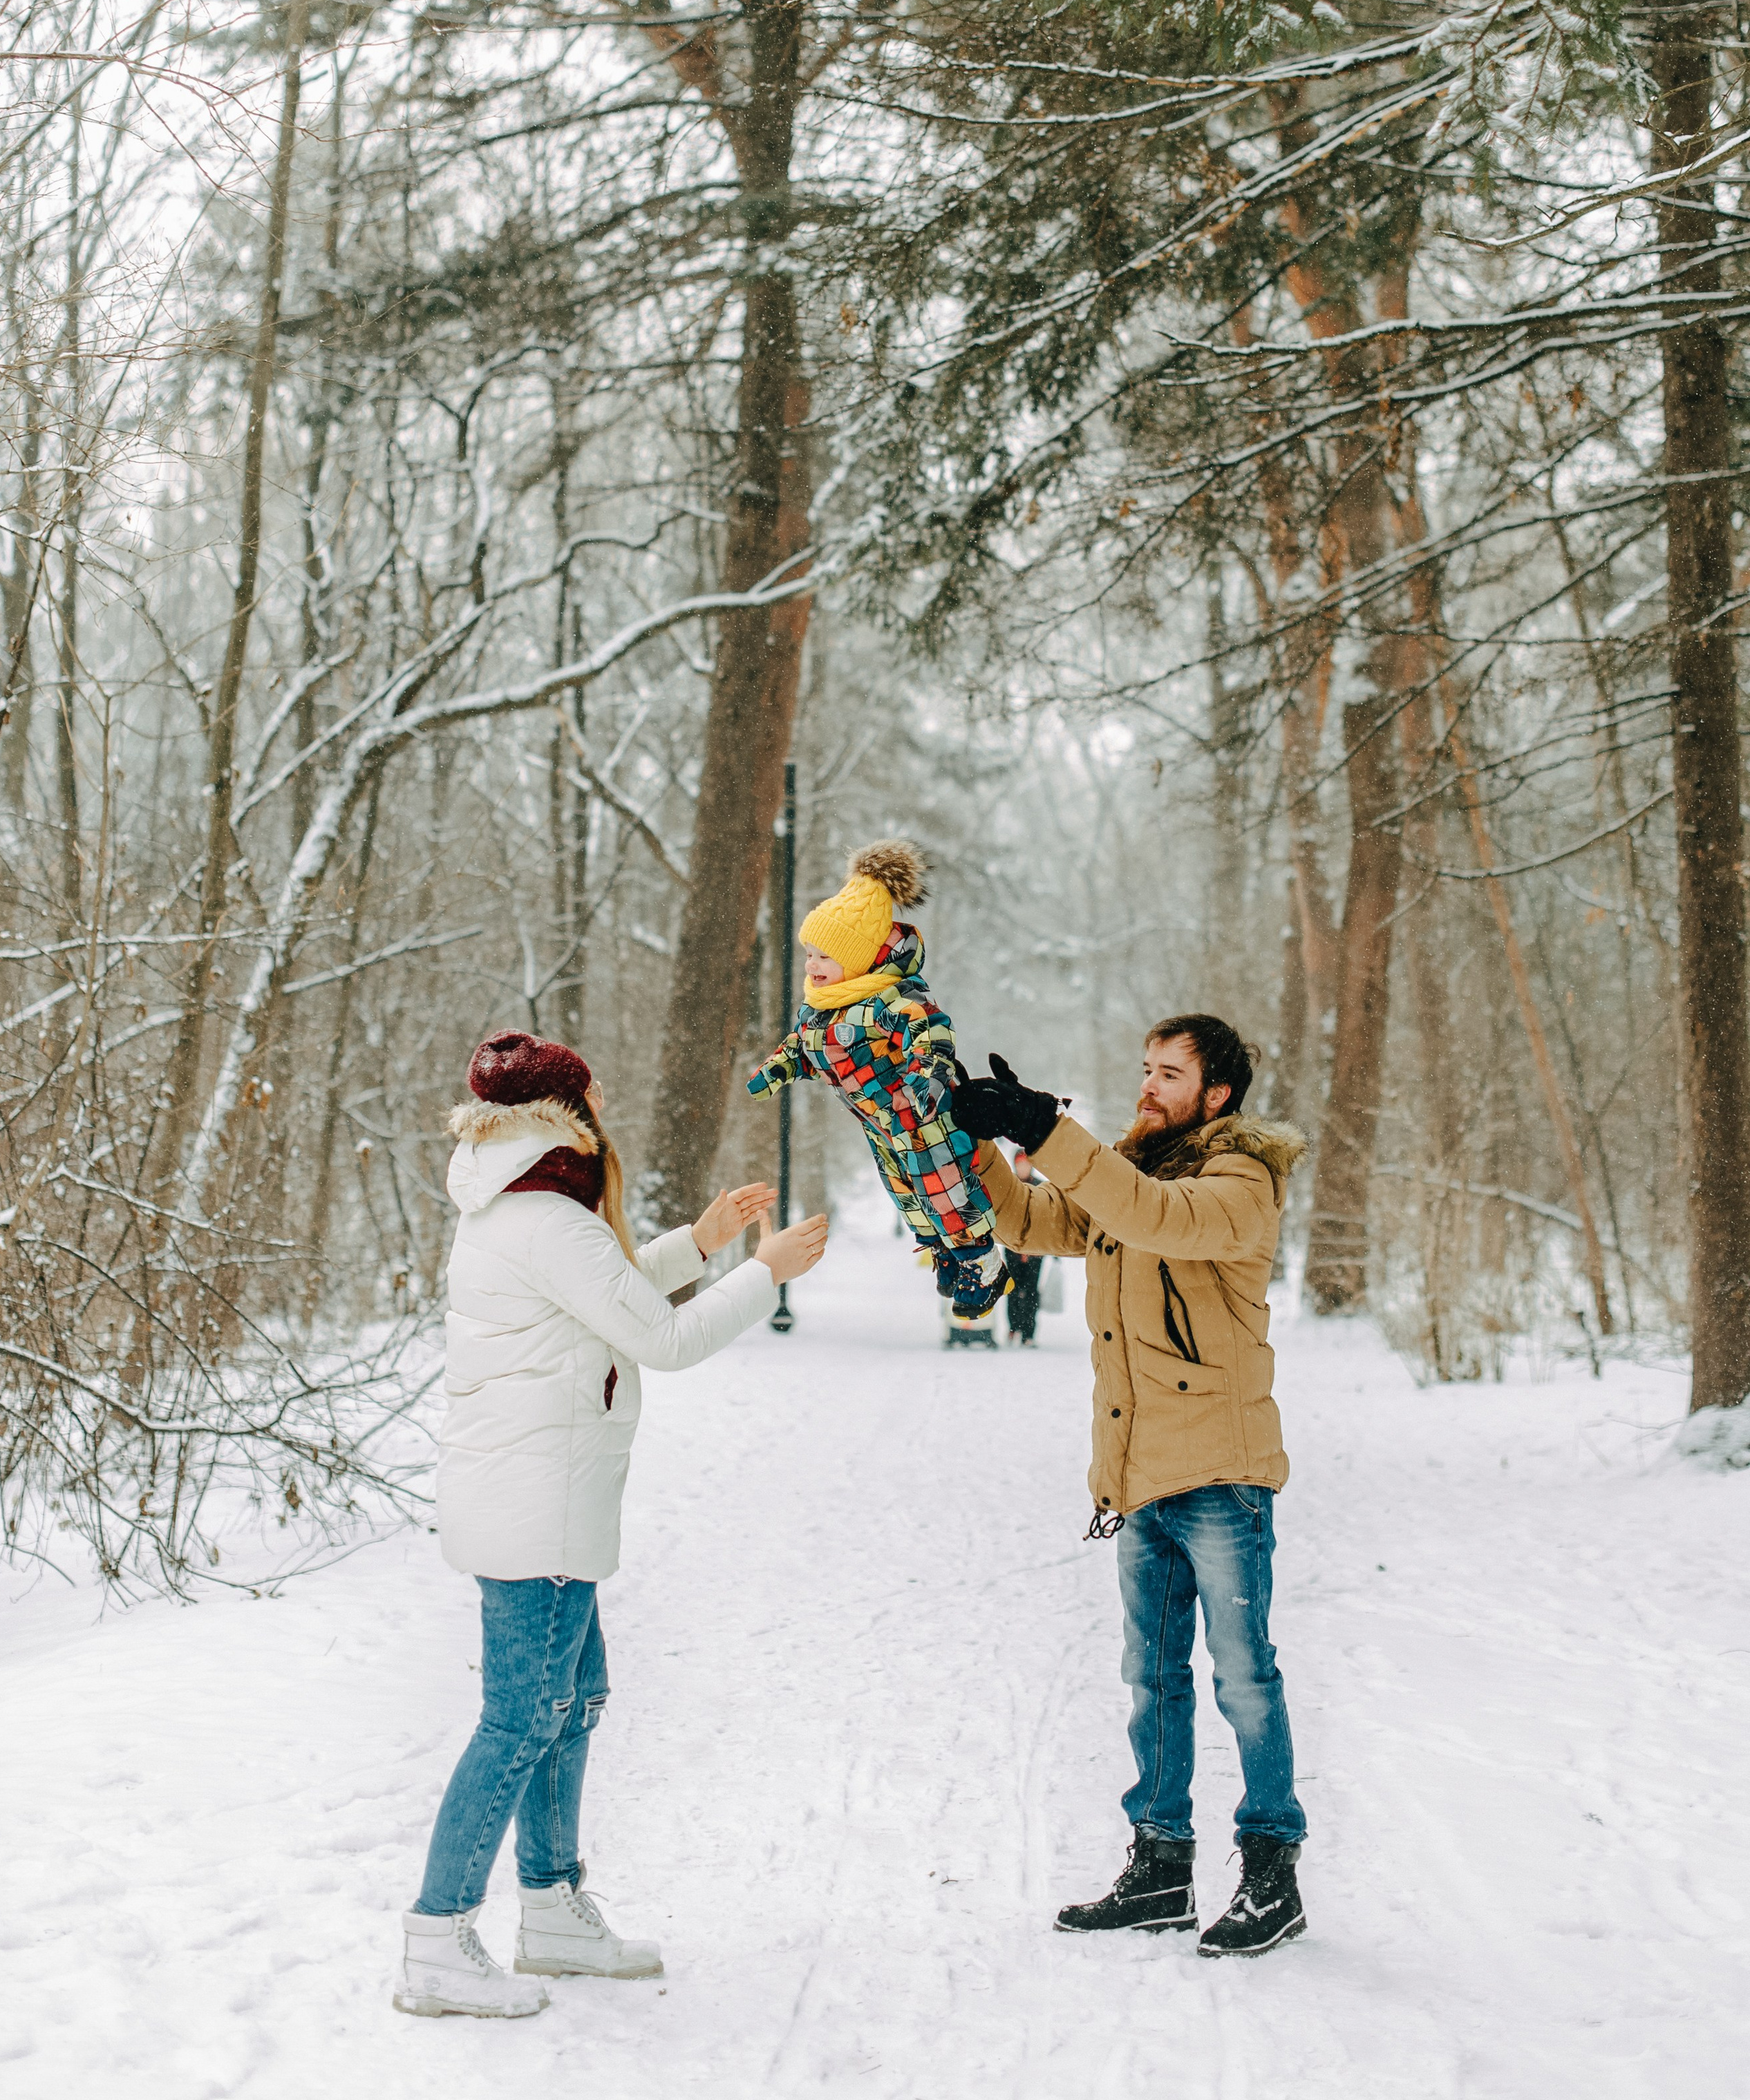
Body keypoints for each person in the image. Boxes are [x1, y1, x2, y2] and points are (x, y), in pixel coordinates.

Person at [396, 1029, 827, 2021]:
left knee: (573, 1697)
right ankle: (436, 1935)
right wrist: (766, 1271)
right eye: (592, 1091)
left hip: (535, 1495)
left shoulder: (522, 1202)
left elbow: (609, 1289)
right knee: (520, 1718)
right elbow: (662, 1334)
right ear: (567, 1108)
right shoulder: (552, 1215)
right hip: (536, 1506)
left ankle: (549, 1908)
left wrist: (706, 1237)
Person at [953, 1018, 1310, 1958]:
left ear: (1219, 1092)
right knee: (1152, 1678)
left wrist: (1046, 1130)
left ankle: (1273, 1869)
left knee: (1244, 1679)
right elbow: (1033, 1220)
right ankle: (1161, 1863)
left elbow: (1155, 1214)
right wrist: (981, 1142)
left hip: (1222, 1475)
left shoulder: (1239, 1184)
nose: (1149, 1085)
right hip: (1137, 1473)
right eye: (1145, 1069)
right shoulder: (1125, 1167)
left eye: (1170, 1073)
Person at [748, 840, 1008, 1323]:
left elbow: (929, 1029)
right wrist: (777, 1069)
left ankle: (983, 1262)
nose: (811, 966)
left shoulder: (891, 998)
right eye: (808, 954)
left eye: (824, 956)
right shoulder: (821, 1012)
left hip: (922, 1112)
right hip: (881, 1122)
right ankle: (944, 1250)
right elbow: (805, 1048)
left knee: (944, 1187)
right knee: (905, 1190)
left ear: (860, 956)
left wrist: (929, 1073)